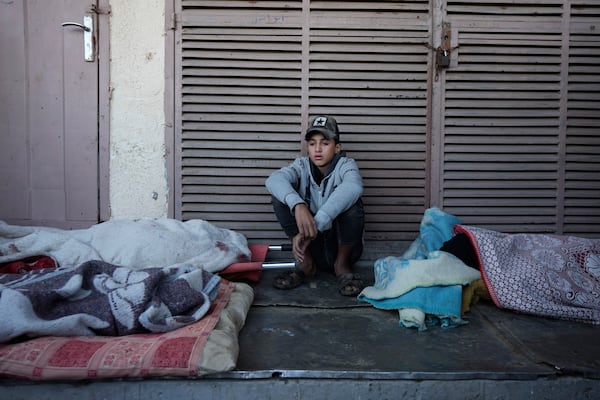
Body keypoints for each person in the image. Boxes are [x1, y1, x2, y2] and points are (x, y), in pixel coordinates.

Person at [265, 115, 365, 296]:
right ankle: (306, 263)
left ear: (337, 147)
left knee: (353, 204)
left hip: (341, 246)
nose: (317, 149)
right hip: (309, 246)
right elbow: (274, 180)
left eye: (325, 143)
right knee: (281, 198)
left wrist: (317, 222)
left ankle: (341, 266)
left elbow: (354, 186)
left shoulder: (346, 165)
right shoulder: (301, 166)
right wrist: (297, 205)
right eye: (312, 144)